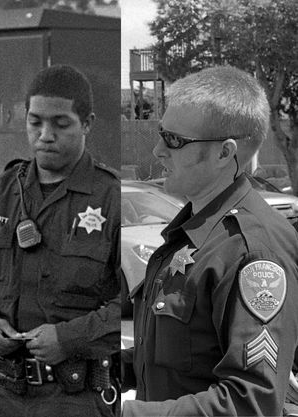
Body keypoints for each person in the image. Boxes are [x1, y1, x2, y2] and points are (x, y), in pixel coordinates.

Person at [121, 66, 298, 416]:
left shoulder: (253, 251)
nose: (158, 150)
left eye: (174, 140)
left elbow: (253, 402)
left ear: (224, 153)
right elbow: (172, 362)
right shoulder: (196, 234)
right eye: (161, 133)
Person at [0, 64, 121, 417]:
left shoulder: (113, 198)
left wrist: (70, 339)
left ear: (86, 124)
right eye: (35, 121)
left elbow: (137, 304)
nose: (45, 135)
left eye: (61, 123)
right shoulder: (0, 192)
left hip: (76, 399)